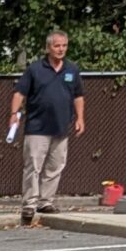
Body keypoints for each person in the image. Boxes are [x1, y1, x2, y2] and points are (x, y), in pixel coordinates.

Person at [10, 29, 85, 220]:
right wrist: (14, 114)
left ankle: (46, 202)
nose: (61, 49)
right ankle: (29, 204)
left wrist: (79, 118)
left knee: (55, 167)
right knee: (33, 166)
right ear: (48, 47)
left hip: (61, 128)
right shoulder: (35, 69)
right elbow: (19, 93)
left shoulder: (72, 70)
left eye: (64, 45)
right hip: (37, 127)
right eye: (57, 45)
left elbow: (78, 96)